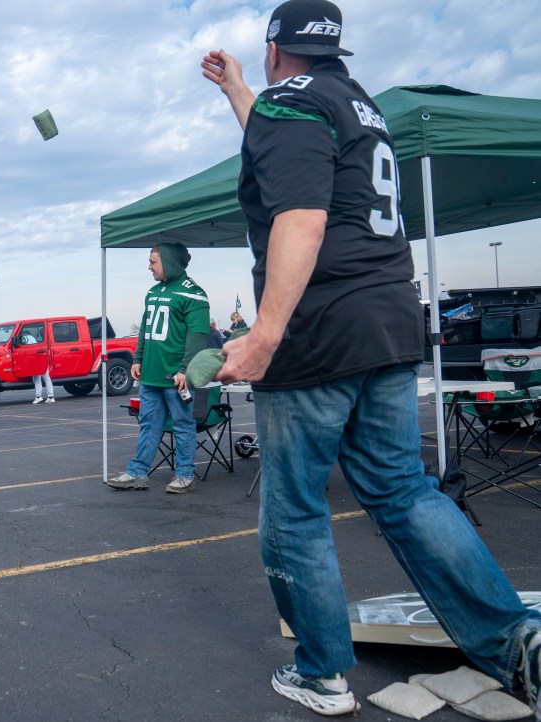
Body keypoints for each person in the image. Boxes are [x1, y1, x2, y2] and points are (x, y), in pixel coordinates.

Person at [202, 0, 540, 716]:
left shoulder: (288, 103)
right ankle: (516, 641)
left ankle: (322, 673)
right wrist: (238, 95)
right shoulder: (354, 104)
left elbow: (300, 213)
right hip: (388, 319)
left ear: (273, 50)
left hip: (318, 329)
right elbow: (291, 162)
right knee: (403, 491)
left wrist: (263, 335)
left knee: (295, 511)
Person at [107, 243, 209, 493]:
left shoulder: (194, 294)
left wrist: (186, 369)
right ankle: (137, 472)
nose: (149, 267)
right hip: (151, 376)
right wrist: (138, 358)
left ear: (169, 262)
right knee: (149, 424)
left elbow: (197, 335)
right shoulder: (152, 292)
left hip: (177, 376)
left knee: (183, 425)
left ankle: (185, 474)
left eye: (153, 262)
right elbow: (146, 328)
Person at [19, 325, 55, 404]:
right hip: (42, 360)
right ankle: (51, 396)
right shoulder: (34, 339)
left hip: (34, 361)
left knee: (37, 379)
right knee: (47, 378)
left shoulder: (25, 338)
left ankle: (38, 396)